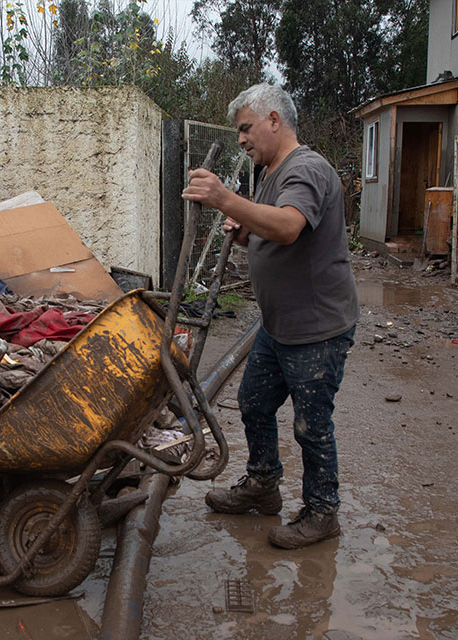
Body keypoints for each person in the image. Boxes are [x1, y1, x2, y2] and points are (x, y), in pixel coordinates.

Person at [182, 84, 358, 549]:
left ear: (274, 120)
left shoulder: (308, 169)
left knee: (311, 424)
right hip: (278, 325)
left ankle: (323, 513)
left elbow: (287, 226)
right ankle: (263, 485)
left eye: (246, 128)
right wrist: (243, 233)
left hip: (316, 329)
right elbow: (268, 230)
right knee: (254, 403)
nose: (241, 139)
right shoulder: (269, 171)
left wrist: (225, 198)